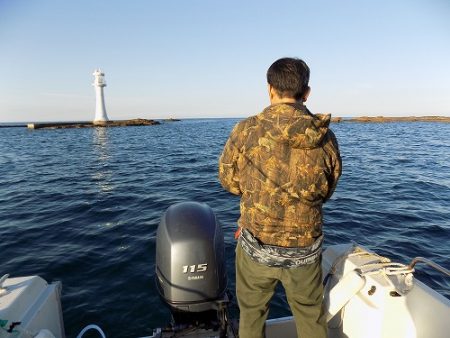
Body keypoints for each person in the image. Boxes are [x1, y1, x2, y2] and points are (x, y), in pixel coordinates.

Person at [218, 57, 342, 338]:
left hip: (255, 248)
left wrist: (256, 190)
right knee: (311, 317)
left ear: (270, 89)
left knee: (251, 315)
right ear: (306, 92)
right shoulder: (325, 137)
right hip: (305, 249)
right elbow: (327, 189)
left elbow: (228, 180)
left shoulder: (245, 130)